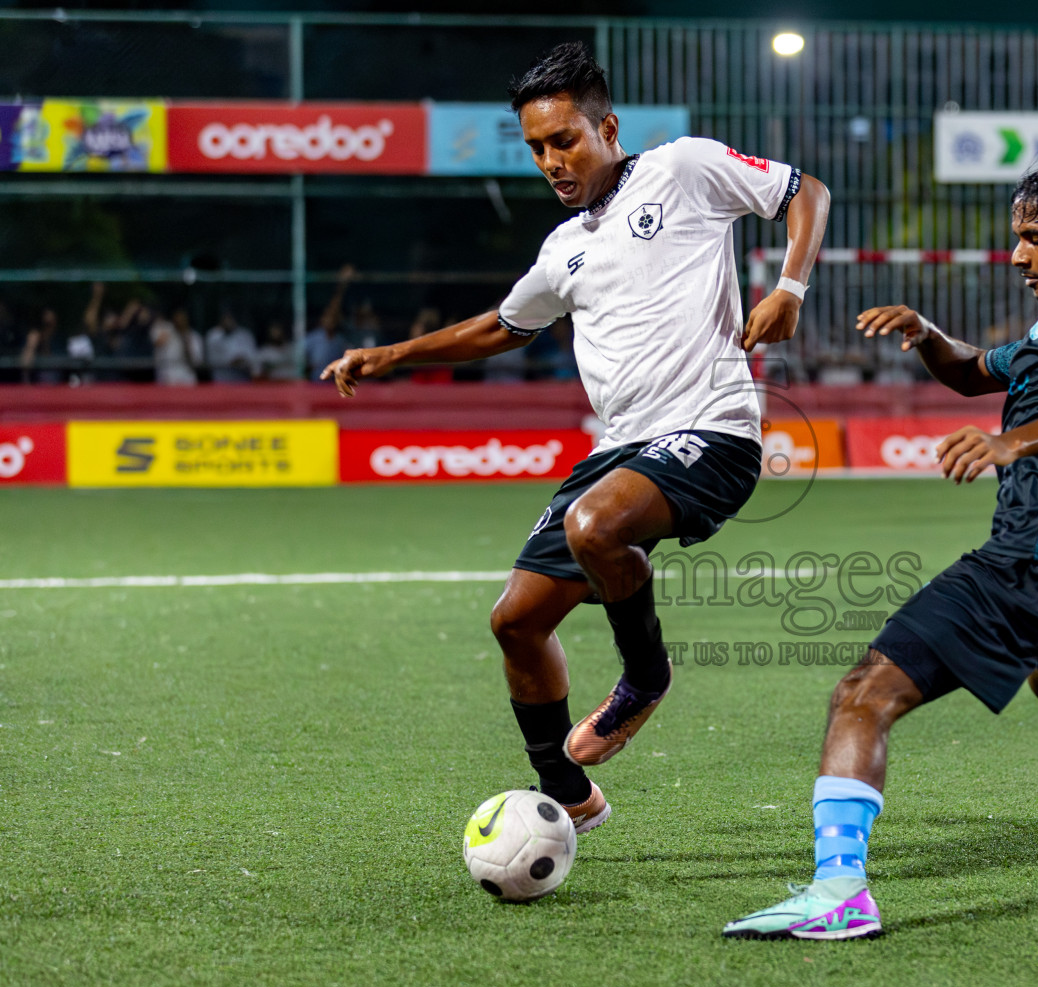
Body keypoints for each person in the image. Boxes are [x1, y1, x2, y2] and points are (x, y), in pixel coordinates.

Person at [322, 42, 830, 833]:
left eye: (564, 141)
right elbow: (501, 325)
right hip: (617, 448)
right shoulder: (563, 248)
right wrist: (392, 354)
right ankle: (567, 796)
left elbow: (805, 191)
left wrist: (790, 286)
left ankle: (646, 676)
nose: (551, 161)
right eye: (535, 148)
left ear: (607, 126)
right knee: (516, 621)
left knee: (596, 525)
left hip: (712, 430)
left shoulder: (684, 168)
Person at [723, 157, 1038, 942]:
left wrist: (1011, 443)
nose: (1019, 255)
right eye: (1017, 238)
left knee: (863, 695)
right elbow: (971, 371)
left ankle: (840, 893)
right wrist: (926, 334)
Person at [305, 266, 355, 380]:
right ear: (322, 319)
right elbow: (299, 358)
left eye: (333, 319)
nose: (330, 321)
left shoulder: (340, 340)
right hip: (314, 385)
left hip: (333, 387)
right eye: (327, 318)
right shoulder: (313, 338)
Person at [150, 308, 202, 386]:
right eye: (177, 318)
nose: (179, 321)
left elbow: (197, 361)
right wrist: (170, 330)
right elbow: (157, 343)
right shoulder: (166, 330)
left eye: (182, 319)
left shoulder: (194, 336)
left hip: (186, 376)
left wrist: (186, 343)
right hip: (167, 375)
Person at [206, 309, 258, 383]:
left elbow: (253, 357)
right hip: (221, 378)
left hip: (241, 378)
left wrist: (242, 360)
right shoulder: (213, 336)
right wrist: (229, 362)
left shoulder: (245, 335)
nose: (228, 322)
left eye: (230, 319)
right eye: (225, 319)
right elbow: (211, 360)